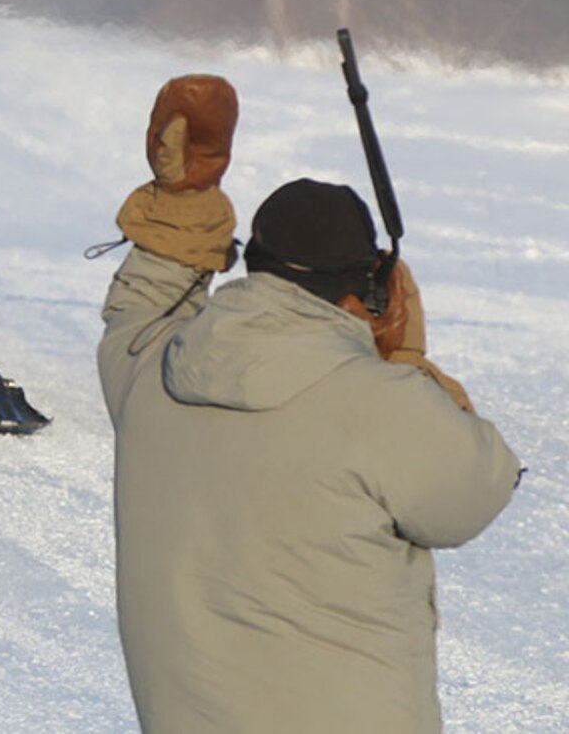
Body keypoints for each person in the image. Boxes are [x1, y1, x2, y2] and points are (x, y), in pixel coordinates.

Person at [99, 75, 521, 733]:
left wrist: (183, 201)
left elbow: (139, 305)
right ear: (365, 292)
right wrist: (407, 363)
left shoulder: (154, 372)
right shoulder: (382, 406)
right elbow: (475, 489)